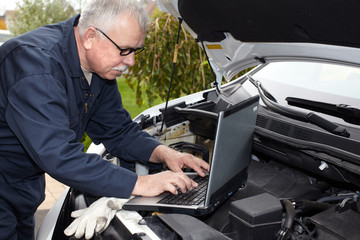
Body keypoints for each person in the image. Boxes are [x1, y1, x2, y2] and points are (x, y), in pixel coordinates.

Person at [0, 0, 210, 239]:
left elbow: (118, 131)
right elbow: (58, 154)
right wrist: (140, 184)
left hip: (23, 185)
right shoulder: (35, 68)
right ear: (90, 36)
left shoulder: (98, 68)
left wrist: (166, 153)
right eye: (125, 50)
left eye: (136, 50)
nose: (130, 61)